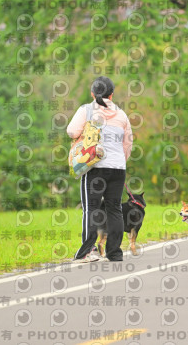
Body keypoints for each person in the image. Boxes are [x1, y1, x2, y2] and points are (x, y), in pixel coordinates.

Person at [67, 76, 133, 262]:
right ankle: (114, 253)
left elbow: (71, 131)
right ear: (111, 95)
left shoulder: (86, 110)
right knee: (115, 209)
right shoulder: (122, 114)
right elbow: (128, 143)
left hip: (94, 166)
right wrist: (119, 161)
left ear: (92, 93)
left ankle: (87, 251)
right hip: (118, 168)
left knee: (91, 208)